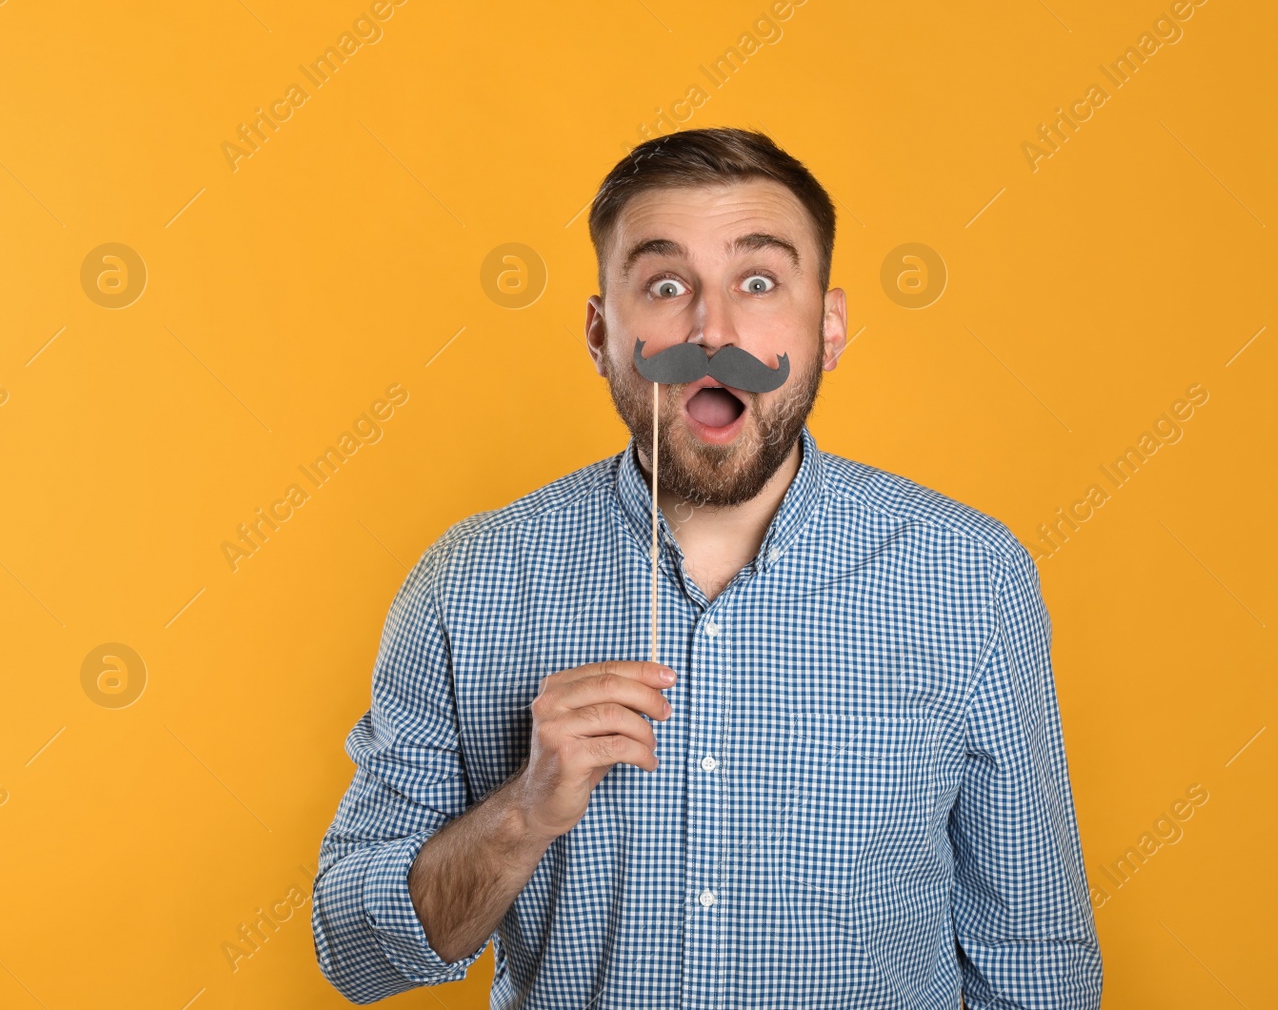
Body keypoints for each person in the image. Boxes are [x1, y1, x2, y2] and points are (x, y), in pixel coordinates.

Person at [311, 127, 1103, 1007]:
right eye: (665, 285)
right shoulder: (469, 582)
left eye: (758, 282)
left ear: (829, 327)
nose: (711, 329)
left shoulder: (970, 577)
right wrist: (522, 812)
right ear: (601, 331)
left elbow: (1034, 955)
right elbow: (357, 956)